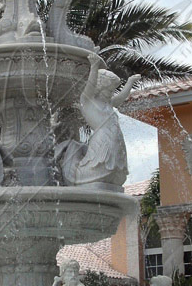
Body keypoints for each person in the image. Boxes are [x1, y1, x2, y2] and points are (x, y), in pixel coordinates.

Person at [58, 53, 139, 187]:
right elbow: (89, 86)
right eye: (109, 90)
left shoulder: (108, 103)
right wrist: (94, 67)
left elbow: (121, 97)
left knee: (116, 168)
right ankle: (85, 175)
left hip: (115, 139)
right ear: (99, 87)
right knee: (101, 165)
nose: (111, 93)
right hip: (102, 139)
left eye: (112, 90)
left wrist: (130, 82)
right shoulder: (88, 101)